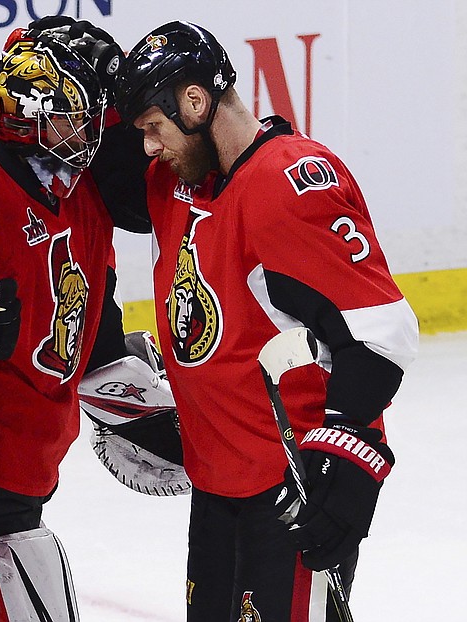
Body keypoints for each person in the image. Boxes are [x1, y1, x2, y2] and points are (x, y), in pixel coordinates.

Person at [114, 21, 419, 622]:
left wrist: (351, 472)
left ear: (196, 102)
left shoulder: (287, 183)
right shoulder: (176, 183)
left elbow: (380, 335)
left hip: (290, 494)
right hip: (216, 491)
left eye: (154, 129)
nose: (148, 147)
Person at [0, 17, 187, 621]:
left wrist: (192, 433)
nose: (95, 133)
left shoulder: (81, 191)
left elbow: (94, 345)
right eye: (79, 116)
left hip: (26, 478)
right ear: (27, 110)